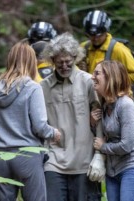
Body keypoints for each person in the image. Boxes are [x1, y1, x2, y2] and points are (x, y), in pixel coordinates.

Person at [0, 40, 61, 201]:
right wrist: (54, 133)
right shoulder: (32, 87)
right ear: (31, 61)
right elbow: (40, 126)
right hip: (27, 154)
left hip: (1, 156)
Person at [40, 32, 104, 201]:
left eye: (68, 62)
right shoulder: (43, 87)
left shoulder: (89, 81)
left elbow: (100, 120)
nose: (64, 66)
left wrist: (99, 155)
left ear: (75, 58)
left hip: (84, 160)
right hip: (53, 160)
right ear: (52, 60)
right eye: (59, 63)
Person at [91, 60, 134, 201]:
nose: (92, 77)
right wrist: (93, 122)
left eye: (97, 73)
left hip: (132, 167)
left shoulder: (125, 105)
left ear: (110, 77)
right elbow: (105, 135)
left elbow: (126, 145)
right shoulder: (105, 104)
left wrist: (103, 147)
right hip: (112, 171)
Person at [81, 10, 134, 85]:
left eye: (99, 35)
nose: (95, 38)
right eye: (91, 35)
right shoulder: (83, 48)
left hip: (112, 95)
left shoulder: (119, 49)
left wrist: (112, 80)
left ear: (106, 31)